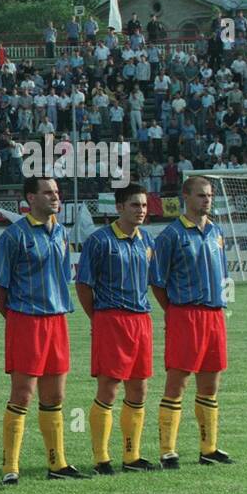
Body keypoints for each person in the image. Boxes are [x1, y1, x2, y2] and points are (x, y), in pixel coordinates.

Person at [0, 176, 86, 483]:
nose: (55, 197)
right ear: (30, 198)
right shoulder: (13, 236)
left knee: (55, 395)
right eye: (48, 192)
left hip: (57, 320)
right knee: (22, 394)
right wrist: (19, 319)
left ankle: (57, 463)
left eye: (57, 192)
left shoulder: (60, 231)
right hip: (26, 321)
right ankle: (10, 466)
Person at [76, 184, 159, 474]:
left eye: (144, 206)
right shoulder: (99, 241)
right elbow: (84, 285)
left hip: (141, 320)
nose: (141, 211)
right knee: (108, 389)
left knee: (139, 388)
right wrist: (97, 318)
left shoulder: (147, 240)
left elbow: (153, 281)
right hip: (111, 319)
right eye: (135, 205)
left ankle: (132, 456)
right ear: (120, 207)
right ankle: (101, 459)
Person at [150, 176, 232, 468]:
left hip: (214, 315)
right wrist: (172, 311)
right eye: (201, 195)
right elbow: (157, 280)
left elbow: (223, 276)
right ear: (186, 197)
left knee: (210, 383)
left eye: (209, 195)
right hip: (185, 314)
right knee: (177, 383)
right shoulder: (171, 235)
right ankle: (168, 451)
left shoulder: (217, 232)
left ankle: (209, 448)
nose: (206, 200)